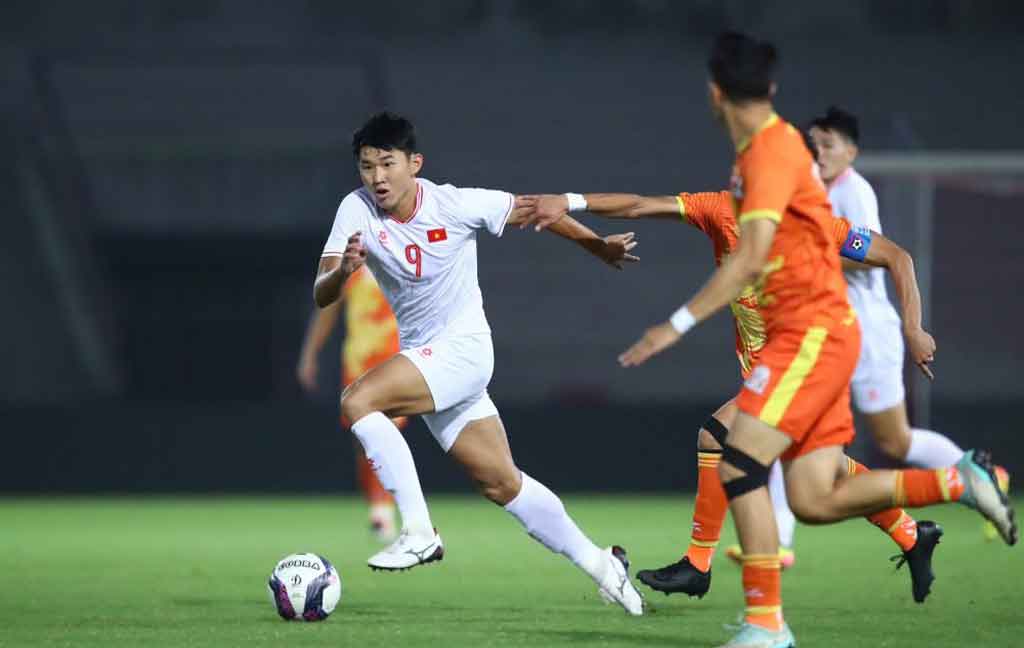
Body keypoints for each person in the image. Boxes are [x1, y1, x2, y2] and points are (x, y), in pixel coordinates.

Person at [520, 32, 1016, 648]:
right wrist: (568, 200)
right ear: (772, 88)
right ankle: (952, 488)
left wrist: (672, 326)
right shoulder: (757, 165)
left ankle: (757, 617)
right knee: (812, 495)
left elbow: (757, 253)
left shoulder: (770, 159)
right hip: (810, 343)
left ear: (713, 93)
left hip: (811, 339)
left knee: (737, 457)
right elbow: (641, 206)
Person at [520, 192, 939, 603]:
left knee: (716, 437)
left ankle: (698, 566)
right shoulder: (720, 209)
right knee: (822, 469)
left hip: (806, 366)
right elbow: (640, 205)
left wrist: (914, 328)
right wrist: (573, 202)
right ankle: (911, 534)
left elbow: (897, 257)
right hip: (770, 371)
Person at [313, 111, 645, 615]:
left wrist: (597, 246)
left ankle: (419, 531)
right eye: (366, 167)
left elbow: (538, 211)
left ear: (414, 163)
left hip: (463, 350)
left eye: (387, 164)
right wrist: (345, 274)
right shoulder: (354, 209)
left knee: (357, 400)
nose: (377, 178)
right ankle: (604, 566)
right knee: (502, 483)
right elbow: (322, 292)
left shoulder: (455, 204)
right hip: (430, 359)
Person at [297, 266, 406, 542]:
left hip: (396, 358)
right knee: (365, 439)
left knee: (386, 432)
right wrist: (310, 354)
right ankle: (378, 506)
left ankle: (387, 512)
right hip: (358, 363)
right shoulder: (351, 267)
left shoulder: (404, 258)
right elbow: (327, 310)